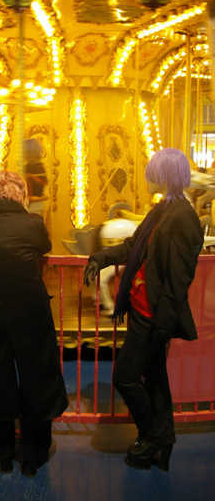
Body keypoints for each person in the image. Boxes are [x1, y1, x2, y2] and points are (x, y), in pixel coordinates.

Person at [83, 148, 203, 472]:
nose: (147, 180)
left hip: (152, 316)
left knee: (124, 377)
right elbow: (132, 246)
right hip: (141, 309)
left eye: (152, 174)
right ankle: (161, 440)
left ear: (165, 176)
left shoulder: (183, 218)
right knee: (155, 380)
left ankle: (153, 436)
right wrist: (100, 258)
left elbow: (178, 278)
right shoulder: (161, 210)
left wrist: (164, 322)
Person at [0, 170, 68, 477]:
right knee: (37, 376)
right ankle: (33, 455)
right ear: (20, 195)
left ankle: (3, 454)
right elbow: (44, 248)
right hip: (29, 312)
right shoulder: (32, 223)